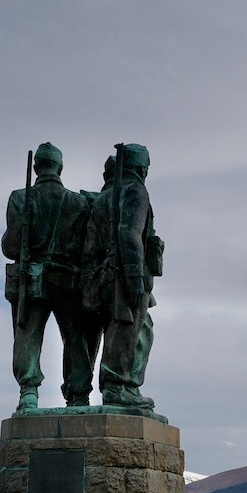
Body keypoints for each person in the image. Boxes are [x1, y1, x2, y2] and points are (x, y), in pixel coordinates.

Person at [1, 143, 97, 410]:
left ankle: (28, 392)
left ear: (36, 167)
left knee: (27, 335)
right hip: (66, 279)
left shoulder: (20, 197)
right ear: (60, 168)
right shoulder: (77, 202)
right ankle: (78, 395)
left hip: (29, 279)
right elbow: (83, 249)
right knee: (76, 336)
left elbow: (10, 247)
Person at [85, 143, 162, 409]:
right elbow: (129, 231)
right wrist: (134, 276)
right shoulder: (134, 189)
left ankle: (125, 385)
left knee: (141, 329)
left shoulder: (103, 197)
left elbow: (90, 244)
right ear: (141, 167)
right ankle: (118, 387)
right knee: (126, 328)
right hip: (123, 273)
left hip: (104, 273)